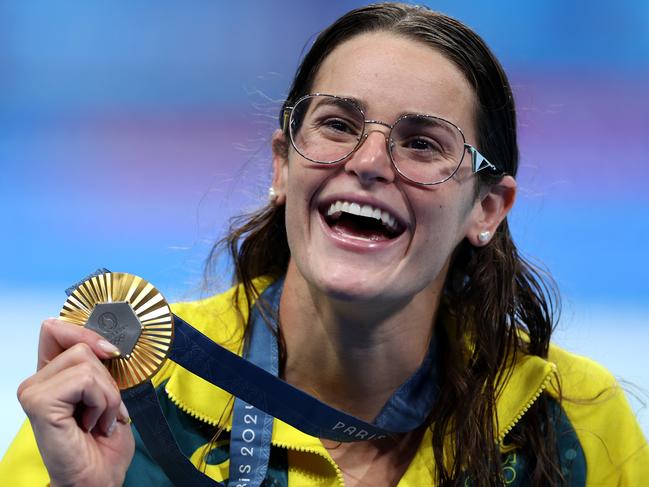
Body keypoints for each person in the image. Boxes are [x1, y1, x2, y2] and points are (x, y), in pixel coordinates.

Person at [1, 3, 647, 486]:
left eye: (422, 143)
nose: (367, 162)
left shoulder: (569, 424)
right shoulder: (124, 402)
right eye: (338, 124)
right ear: (283, 166)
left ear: (485, 209)